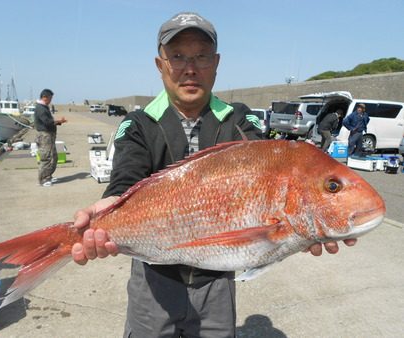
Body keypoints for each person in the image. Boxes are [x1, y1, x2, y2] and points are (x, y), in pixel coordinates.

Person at [71, 12, 357, 337]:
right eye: (177, 56)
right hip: (152, 280)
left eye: (201, 56)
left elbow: (272, 180)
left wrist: (304, 225)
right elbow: (124, 183)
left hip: (217, 283)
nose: (190, 68)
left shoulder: (239, 122)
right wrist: (104, 215)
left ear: (217, 62)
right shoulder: (139, 124)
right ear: (160, 63)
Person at [34, 89, 67, 187]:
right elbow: (47, 122)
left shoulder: (44, 107)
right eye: (50, 98)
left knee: (54, 157)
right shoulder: (40, 108)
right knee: (46, 157)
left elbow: (49, 121)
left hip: (49, 136)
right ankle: (43, 179)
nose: (51, 100)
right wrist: (58, 121)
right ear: (45, 97)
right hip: (44, 136)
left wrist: (58, 122)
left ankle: (48, 176)